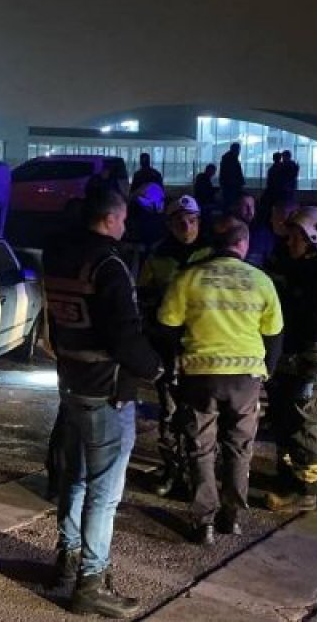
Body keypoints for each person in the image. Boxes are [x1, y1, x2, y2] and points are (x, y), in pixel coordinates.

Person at [43, 188, 160, 618]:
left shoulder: (59, 257)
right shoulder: (110, 266)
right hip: (107, 393)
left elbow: (56, 322)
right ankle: (91, 583)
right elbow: (125, 337)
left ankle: (67, 560)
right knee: (104, 492)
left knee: (74, 477)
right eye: (123, 219)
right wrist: (156, 369)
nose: (126, 226)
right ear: (111, 219)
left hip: (70, 385)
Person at [158, 215, 283, 544]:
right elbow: (274, 335)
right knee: (240, 448)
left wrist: (175, 363)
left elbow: (167, 326)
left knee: (200, 447)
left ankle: (205, 523)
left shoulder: (189, 277)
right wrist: (266, 370)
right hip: (246, 377)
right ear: (243, 245)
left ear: (215, 245)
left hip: (200, 375)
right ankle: (233, 516)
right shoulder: (261, 281)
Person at [265, 207, 317, 512]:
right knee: (288, 423)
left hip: (313, 366)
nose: (290, 243)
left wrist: (311, 375)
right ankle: (290, 477)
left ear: (313, 239)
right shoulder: (306, 266)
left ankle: (307, 490)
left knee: (307, 426)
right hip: (294, 362)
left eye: (295, 238)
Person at [138, 195, 210, 498]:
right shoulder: (157, 255)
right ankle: (171, 469)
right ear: (169, 224)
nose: (186, 226)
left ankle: (200, 474)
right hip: (169, 347)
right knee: (168, 413)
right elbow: (143, 297)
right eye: (180, 220)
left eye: (191, 220)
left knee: (202, 417)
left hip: (203, 348)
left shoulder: (212, 254)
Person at [219, 143, 245, 208]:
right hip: (232, 185)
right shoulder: (231, 159)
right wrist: (239, 182)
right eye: (238, 149)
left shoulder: (228, 158)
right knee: (231, 204)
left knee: (229, 203)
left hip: (230, 185)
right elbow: (232, 173)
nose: (239, 151)